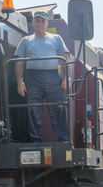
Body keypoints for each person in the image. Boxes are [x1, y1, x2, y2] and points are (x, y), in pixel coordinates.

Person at [15, 10, 71, 142]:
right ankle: (36, 142)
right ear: (33, 23)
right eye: (37, 20)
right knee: (33, 111)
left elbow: (65, 58)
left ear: (46, 23)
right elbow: (18, 62)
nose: (40, 23)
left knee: (59, 108)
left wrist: (66, 78)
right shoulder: (25, 41)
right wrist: (20, 82)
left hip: (52, 76)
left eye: (42, 21)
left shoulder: (56, 38)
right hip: (32, 78)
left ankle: (63, 141)